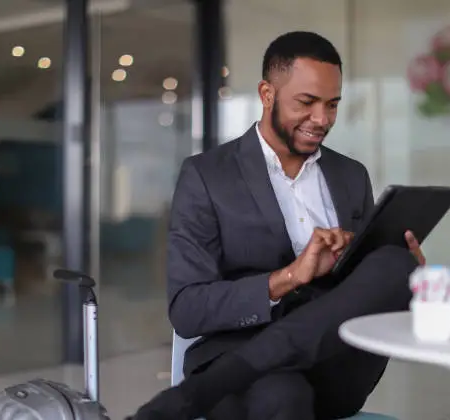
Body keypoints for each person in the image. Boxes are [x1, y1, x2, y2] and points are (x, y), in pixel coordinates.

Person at [127, 31, 426, 420]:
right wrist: (289, 277)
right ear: (267, 94)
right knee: (280, 397)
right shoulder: (207, 176)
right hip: (235, 358)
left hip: (332, 363)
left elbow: (361, 291)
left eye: (332, 104)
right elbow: (186, 309)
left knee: (395, 265)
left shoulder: (350, 176)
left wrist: (405, 273)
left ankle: (193, 396)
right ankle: (222, 381)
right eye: (307, 102)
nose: (322, 119)